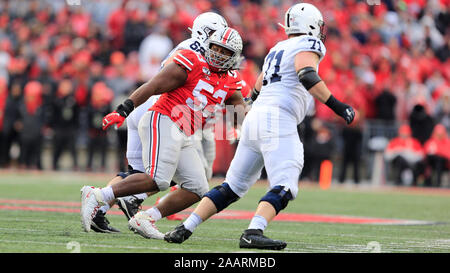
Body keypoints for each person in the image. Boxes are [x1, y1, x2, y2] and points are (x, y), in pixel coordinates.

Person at [164, 3, 355, 250]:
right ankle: (254, 230)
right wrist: (339, 106)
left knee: (232, 186)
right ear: (309, 25)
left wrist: (249, 101)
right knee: (286, 184)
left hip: (256, 118)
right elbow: (306, 74)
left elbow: (260, 82)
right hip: (278, 119)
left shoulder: (278, 47)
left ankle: (185, 227)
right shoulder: (308, 44)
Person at [80, 26, 246, 240]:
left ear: (234, 56)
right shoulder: (193, 61)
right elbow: (154, 85)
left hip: (184, 131)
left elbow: (239, 109)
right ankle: (97, 195)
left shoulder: (231, 80)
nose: (218, 54)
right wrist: (124, 109)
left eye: (225, 51)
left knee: (198, 187)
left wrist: (247, 126)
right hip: (164, 119)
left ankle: (146, 218)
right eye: (215, 48)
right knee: (158, 180)